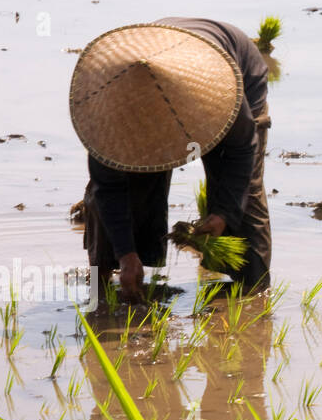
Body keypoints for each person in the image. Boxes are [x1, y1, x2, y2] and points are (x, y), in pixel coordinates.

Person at [69, 19, 272, 302]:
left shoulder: (220, 92)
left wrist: (225, 212)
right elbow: (109, 187)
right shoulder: (108, 115)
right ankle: (106, 276)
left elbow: (242, 150)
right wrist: (126, 254)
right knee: (134, 177)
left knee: (242, 194)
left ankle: (251, 291)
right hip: (152, 60)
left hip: (226, 67)